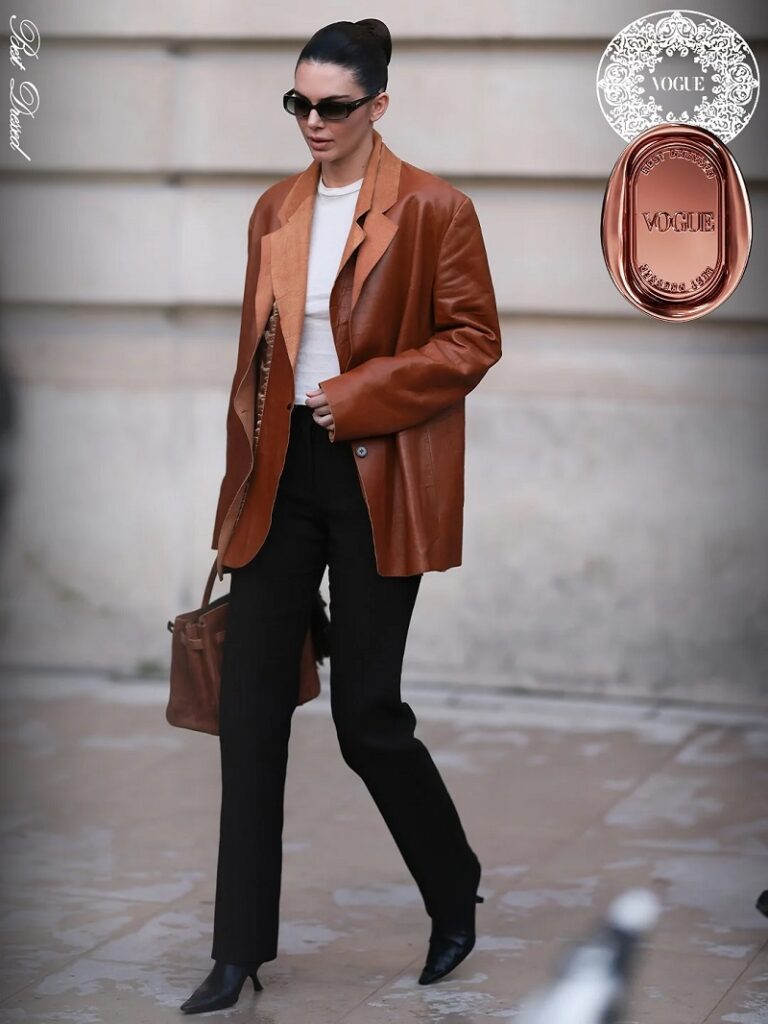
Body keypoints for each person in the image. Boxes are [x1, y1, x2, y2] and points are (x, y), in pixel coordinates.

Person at [180, 18, 502, 1015]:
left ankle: (452, 883)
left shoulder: (436, 208)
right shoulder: (274, 208)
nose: (313, 122)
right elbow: (256, 361)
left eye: (333, 106)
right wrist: (239, 487)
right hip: (279, 477)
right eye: (299, 103)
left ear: (377, 106)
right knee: (248, 713)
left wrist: (356, 396)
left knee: (367, 719)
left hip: (377, 475)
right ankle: (237, 952)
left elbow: (472, 339)